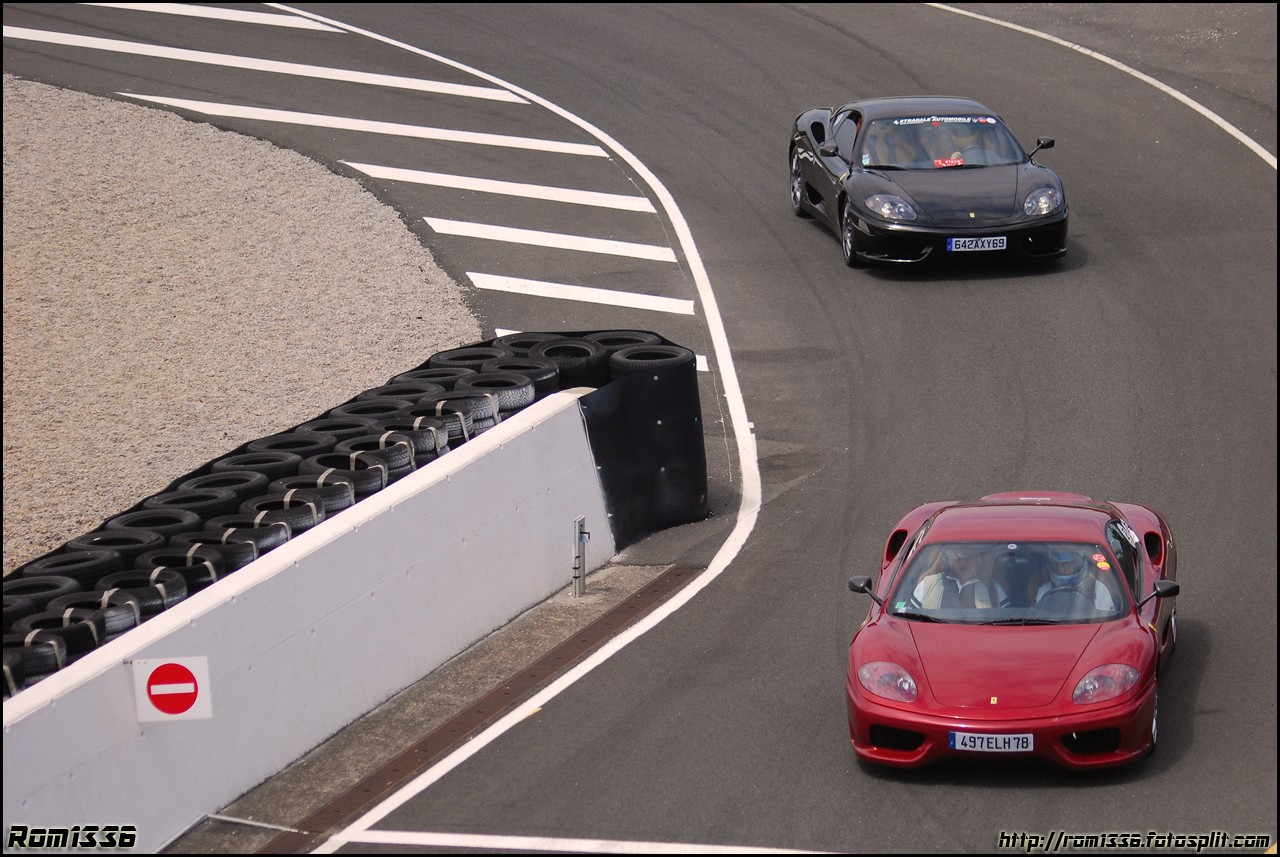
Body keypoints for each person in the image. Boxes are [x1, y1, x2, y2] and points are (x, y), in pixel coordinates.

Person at [909, 547, 1008, 610]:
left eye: (969, 557)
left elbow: (1007, 628)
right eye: (960, 557)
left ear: (978, 559)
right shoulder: (928, 585)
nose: (964, 563)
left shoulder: (994, 590)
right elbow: (906, 622)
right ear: (949, 558)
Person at [1035, 548, 1116, 612]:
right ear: (1055, 565)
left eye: (1071, 564)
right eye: (1062, 565)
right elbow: (1040, 617)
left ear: (1078, 564)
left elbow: (1104, 619)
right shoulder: (1045, 591)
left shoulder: (1097, 588)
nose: (1067, 569)